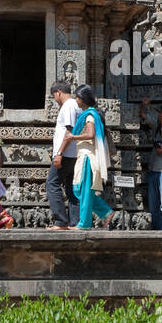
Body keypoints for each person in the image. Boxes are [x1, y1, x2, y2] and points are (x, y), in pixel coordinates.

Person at [59, 85, 113, 230]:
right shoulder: (88, 114)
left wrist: (73, 136)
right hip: (83, 155)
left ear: (83, 99)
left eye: (77, 97)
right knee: (80, 190)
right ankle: (106, 212)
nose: (75, 100)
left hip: (88, 157)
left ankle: (84, 223)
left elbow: (90, 134)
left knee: (82, 190)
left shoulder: (89, 116)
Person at [46, 80, 81, 230]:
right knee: (71, 187)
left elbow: (69, 132)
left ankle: (60, 221)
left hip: (66, 153)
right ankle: (75, 222)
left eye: (54, 95)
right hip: (73, 153)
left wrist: (59, 153)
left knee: (52, 183)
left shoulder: (68, 106)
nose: (54, 99)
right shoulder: (76, 106)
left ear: (58, 92)